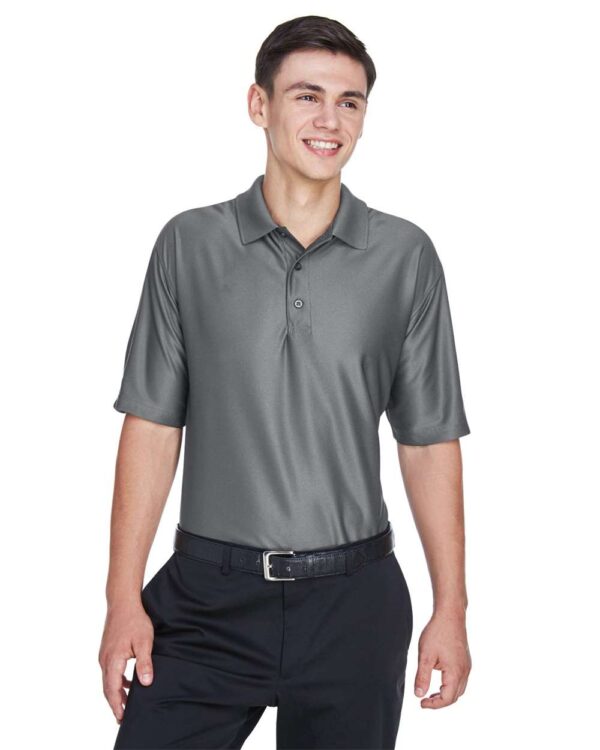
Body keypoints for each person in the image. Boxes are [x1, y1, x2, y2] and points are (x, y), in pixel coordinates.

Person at [99, 14, 472, 750]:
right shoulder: (188, 245)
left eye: (349, 101)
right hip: (204, 601)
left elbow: (428, 443)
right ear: (259, 105)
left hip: (354, 606)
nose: (330, 120)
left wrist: (452, 609)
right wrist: (121, 600)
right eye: (307, 96)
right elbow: (152, 427)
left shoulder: (405, 257)